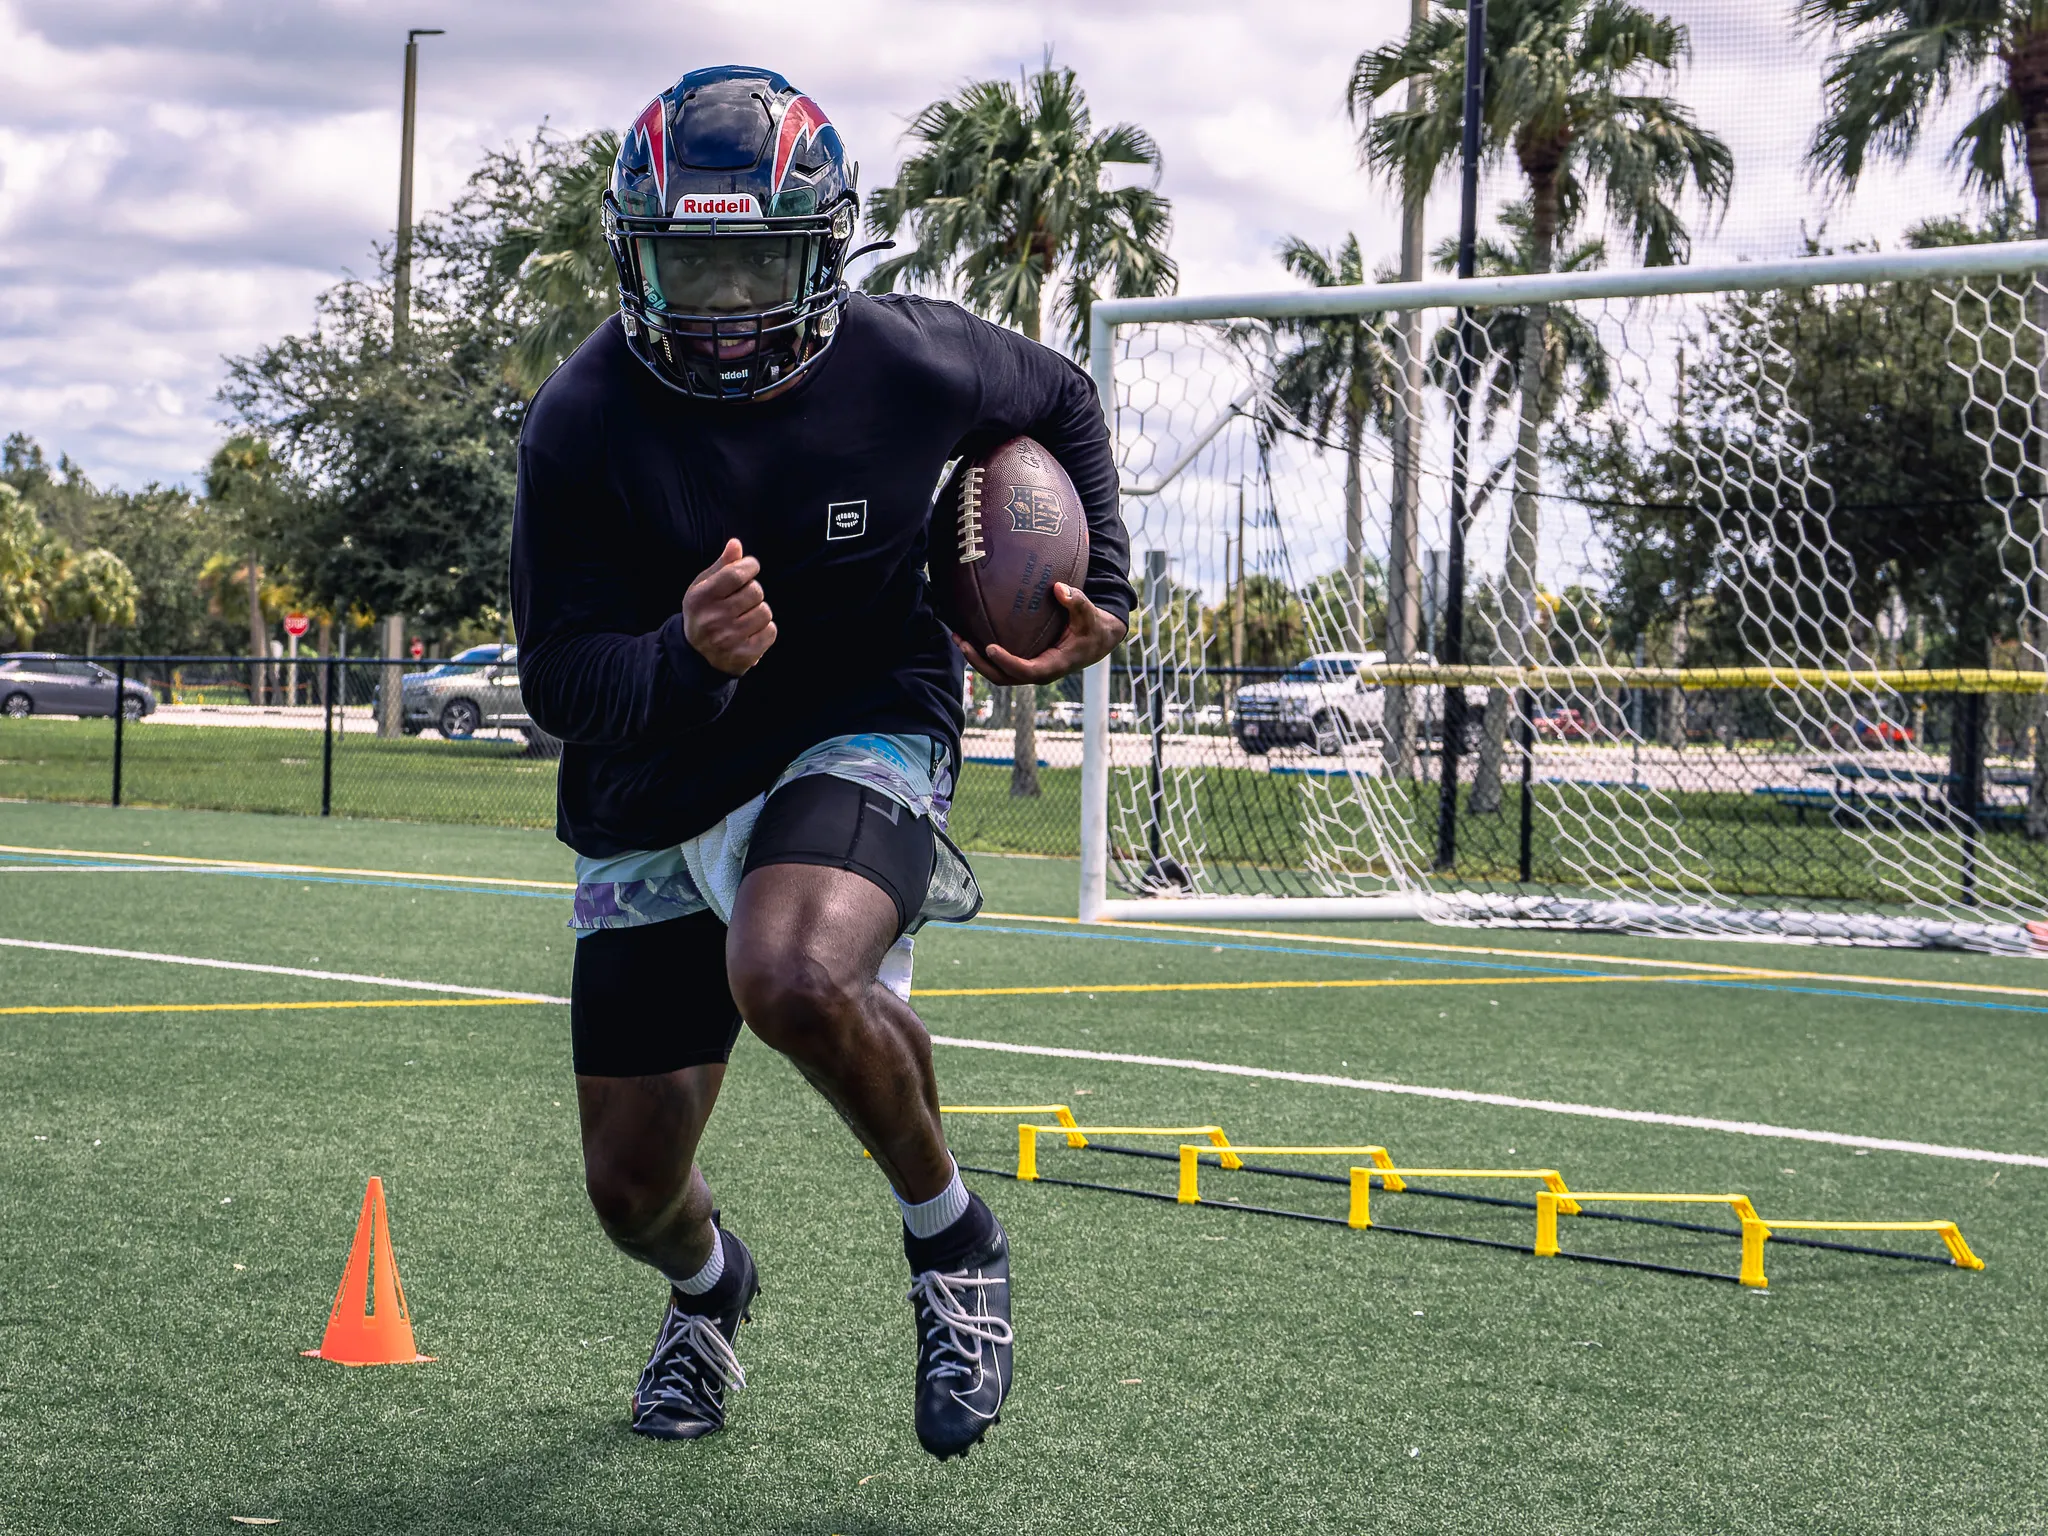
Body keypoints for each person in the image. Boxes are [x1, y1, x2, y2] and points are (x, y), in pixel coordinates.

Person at [509, 65, 1132, 1461]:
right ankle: (711, 1291)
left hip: (863, 707)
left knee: (790, 970)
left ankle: (952, 1240)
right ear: (638, 255)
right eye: (695, 263)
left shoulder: (911, 361)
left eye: (757, 262)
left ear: (824, 251)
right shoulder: (582, 418)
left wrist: (1115, 596)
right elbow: (558, 680)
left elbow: (1065, 394)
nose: (725, 305)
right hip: (659, 776)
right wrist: (683, 657)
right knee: (628, 1190)